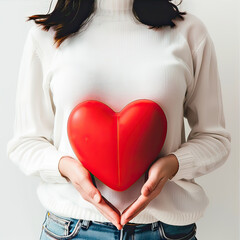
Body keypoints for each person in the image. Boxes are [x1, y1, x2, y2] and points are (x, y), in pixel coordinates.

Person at [7, 0, 231, 239]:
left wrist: (173, 165)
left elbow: (215, 138)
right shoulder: (46, 36)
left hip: (166, 231)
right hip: (70, 230)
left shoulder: (189, 32)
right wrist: (65, 168)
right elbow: (26, 143)